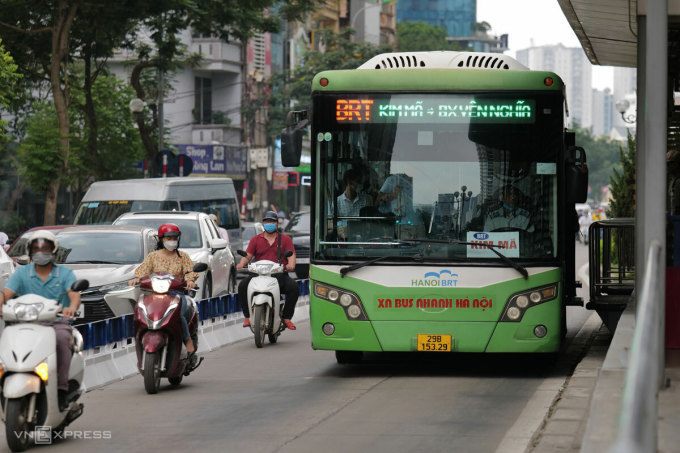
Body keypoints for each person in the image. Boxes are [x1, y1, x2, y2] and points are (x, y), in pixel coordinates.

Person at [0, 230, 80, 410]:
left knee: (61, 340)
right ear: (30, 251)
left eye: (45, 248)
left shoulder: (65, 274)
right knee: (7, 339)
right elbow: (6, 294)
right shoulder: (21, 274)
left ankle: (61, 390)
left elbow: (74, 295)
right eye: (36, 248)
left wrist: (71, 308)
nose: (40, 252)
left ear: (53, 250)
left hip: (55, 323)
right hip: (24, 324)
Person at [129, 224, 199, 354]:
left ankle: (187, 339)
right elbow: (142, 271)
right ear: (161, 239)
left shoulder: (183, 256)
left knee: (178, 315)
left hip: (177, 294)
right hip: (155, 295)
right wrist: (136, 279)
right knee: (141, 312)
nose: (172, 240)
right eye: (168, 238)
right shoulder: (153, 256)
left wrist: (190, 281)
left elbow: (190, 272)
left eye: (174, 237)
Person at [236, 211, 299, 330]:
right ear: (263, 223)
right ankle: (247, 316)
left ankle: (286, 318)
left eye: (272, 221)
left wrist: (291, 265)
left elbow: (291, 256)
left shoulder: (285, 239)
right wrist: (241, 263)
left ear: (277, 224)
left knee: (294, 288)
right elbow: (248, 255)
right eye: (267, 221)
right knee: (242, 286)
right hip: (258, 275)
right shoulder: (255, 239)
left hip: (278, 275)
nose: (269, 224)